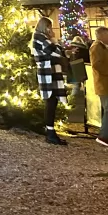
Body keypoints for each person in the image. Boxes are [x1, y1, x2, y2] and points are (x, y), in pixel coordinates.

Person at [31, 17, 69, 145]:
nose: (51, 30)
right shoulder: (41, 38)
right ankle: (50, 132)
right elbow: (56, 52)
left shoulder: (40, 38)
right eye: (49, 27)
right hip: (48, 72)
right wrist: (55, 40)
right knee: (51, 101)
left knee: (51, 101)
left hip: (49, 72)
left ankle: (50, 131)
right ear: (45, 27)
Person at [65, 35, 89, 128]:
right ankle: (72, 100)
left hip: (74, 70)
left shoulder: (72, 50)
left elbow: (68, 58)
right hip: (81, 69)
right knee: (78, 86)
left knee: (76, 85)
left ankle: (71, 100)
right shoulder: (82, 50)